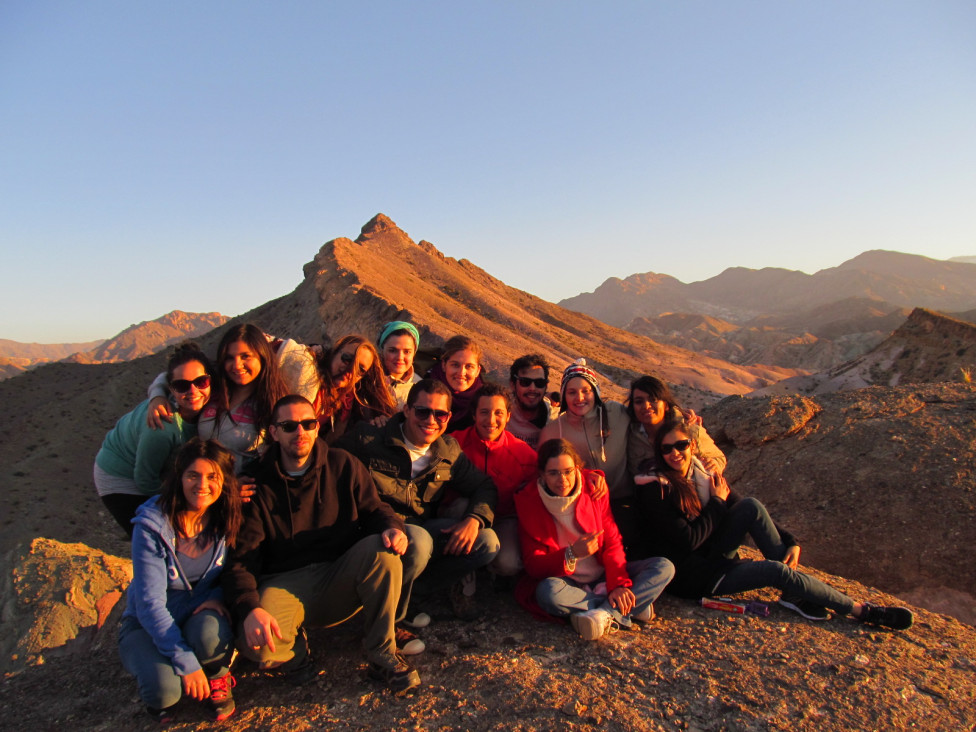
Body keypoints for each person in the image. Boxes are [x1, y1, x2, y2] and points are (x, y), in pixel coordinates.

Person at [632, 417, 914, 630]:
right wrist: (717, 503)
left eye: (681, 445)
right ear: (660, 453)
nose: (674, 453)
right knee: (774, 570)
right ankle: (860, 610)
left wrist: (790, 539)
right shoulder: (655, 487)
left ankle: (793, 593)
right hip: (695, 576)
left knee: (751, 506)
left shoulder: (700, 474)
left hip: (711, 555)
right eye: (667, 449)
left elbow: (738, 504)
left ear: (692, 445)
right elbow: (689, 540)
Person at [221, 395, 421, 693]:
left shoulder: (342, 464)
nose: (300, 432)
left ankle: (382, 652)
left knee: (384, 553)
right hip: (285, 581)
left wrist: (392, 527)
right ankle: (297, 654)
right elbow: (242, 559)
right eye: (289, 426)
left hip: (338, 573)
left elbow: (374, 508)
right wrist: (250, 608)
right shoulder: (254, 485)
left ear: (318, 427)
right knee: (258, 646)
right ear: (274, 432)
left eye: (307, 423)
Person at [337, 379, 499, 627]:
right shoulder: (369, 439)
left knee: (486, 542)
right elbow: (326, 465)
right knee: (420, 542)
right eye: (423, 411)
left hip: (419, 530)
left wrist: (474, 519)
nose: (431, 420)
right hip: (374, 532)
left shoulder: (448, 452)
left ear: (448, 417)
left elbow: (484, 486)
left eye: (440, 414)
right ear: (407, 410)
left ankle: (411, 593)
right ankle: (387, 621)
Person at [118, 438, 243, 723]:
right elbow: (150, 604)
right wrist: (186, 663)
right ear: (179, 477)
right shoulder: (152, 526)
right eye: (193, 475)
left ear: (224, 482)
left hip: (198, 612)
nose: (202, 485)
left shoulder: (226, 517)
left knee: (211, 636)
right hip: (146, 623)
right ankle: (169, 667)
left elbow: (239, 569)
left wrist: (219, 595)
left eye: (213, 477)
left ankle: (216, 673)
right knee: (164, 692)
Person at [514, 439, 675, 640]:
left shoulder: (593, 489)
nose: (562, 480)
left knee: (663, 567)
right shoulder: (530, 502)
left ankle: (603, 614)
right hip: (567, 582)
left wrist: (617, 584)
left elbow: (612, 540)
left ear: (577, 469)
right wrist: (571, 554)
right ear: (542, 474)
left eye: (568, 471)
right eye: (553, 473)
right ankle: (627, 607)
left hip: (602, 573)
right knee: (548, 593)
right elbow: (533, 566)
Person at [94, 343, 214, 534]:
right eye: (182, 385)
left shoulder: (207, 402)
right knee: (151, 534)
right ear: (171, 389)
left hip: (156, 467)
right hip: (120, 474)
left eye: (200, 382)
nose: (192, 391)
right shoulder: (161, 428)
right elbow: (145, 480)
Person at [452, 383, 538, 577]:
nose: (491, 420)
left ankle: (482, 564)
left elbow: (552, 472)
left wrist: (590, 476)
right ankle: (459, 568)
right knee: (461, 504)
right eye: (484, 412)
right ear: (473, 415)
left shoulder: (522, 453)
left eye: (498, 413)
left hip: (502, 518)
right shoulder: (455, 443)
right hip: (462, 513)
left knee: (509, 565)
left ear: (508, 416)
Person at [538, 359, 631, 532]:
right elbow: (543, 473)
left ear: (595, 391)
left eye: (585, 391)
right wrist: (586, 475)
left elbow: (648, 416)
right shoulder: (553, 431)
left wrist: (677, 412)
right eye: (572, 392)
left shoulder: (616, 413)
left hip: (625, 500)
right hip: (583, 508)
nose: (579, 398)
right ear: (564, 395)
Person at [198, 324, 287, 473]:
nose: (237, 365)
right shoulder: (209, 387)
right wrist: (158, 395)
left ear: (262, 356)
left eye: (245, 356)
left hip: (242, 492)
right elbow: (175, 376)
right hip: (201, 488)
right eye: (229, 358)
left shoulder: (275, 404)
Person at [626, 374, 726, 479]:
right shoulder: (630, 434)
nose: (646, 406)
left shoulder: (688, 429)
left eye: (653, 400)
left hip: (691, 491)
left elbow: (719, 457)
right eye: (639, 401)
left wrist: (714, 464)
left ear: (666, 405)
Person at [314, 334, 397, 441]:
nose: (351, 370)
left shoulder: (351, 406)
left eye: (360, 369)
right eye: (347, 359)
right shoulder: (305, 376)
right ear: (334, 353)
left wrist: (382, 421)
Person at [425, 335, 485, 432]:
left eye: (469, 366)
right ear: (444, 365)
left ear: (478, 371)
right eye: (455, 365)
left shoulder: (484, 402)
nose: (461, 373)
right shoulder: (424, 389)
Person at [506, 354, 557, 449]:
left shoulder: (554, 423)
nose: (532, 388)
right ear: (513, 385)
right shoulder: (500, 415)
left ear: (546, 386)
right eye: (525, 382)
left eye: (539, 383)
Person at [378, 321, 423, 409]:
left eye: (407, 352)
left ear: (414, 354)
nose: (400, 357)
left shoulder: (420, 387)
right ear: (382, 350)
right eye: (392, 350)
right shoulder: (366, 377)